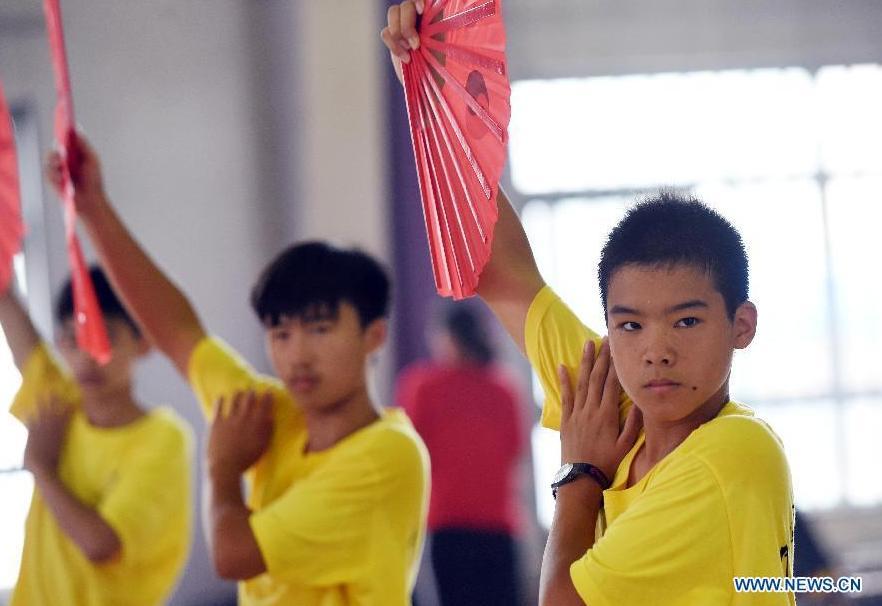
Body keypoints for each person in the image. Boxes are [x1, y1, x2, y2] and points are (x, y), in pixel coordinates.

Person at [382, 4, 795, 604]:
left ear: (742, 325)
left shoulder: (730, 452)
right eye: (630, 325)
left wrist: (579, 475)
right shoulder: (611, 397)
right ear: (610, 326)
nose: (655, 351)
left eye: (686, 320)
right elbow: (500, 273)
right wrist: (429, 90)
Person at [45, 135, 430, 606]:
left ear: (374, 335)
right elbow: (181, 334)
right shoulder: (272, 413)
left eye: (320, 328)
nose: (297, 355)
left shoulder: (385, 455)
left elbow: (234, 555)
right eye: (280, 334)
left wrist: (222, 468)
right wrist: (93, 209)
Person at [0, 266, 192, 605]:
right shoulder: (60, 405)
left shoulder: (163, 439)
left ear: (142, 342)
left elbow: (100, 545)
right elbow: (6, 298)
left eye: (102, 339)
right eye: (73, 340)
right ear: (60, 343)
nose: (86, 357)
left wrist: (41, 468)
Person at [397, 302, 527, 606]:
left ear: (448, 338)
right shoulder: (505, 389)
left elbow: (407, 456)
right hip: (498, 524)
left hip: (446, 522)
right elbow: (514, 450)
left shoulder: (422, 387)